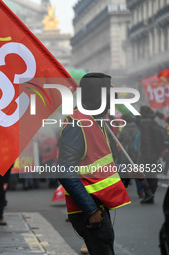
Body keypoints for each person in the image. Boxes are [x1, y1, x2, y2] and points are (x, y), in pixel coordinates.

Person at [57, 73, 131, 255]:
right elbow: (64, 171)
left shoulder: (96, 122)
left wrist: (127, 174)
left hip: (99, 204)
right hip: (89, 208)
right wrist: (90, 210)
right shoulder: (78, 124)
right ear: (96, 97)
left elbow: (100, 167)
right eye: (108, 98)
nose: (111, 103)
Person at [138, 106, 161, 204]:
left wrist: (147, 155)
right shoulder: (153, 122)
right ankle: (151, 193)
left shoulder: (145, 124)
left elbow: (146, 140)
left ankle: (148, 192)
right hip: (155, 153)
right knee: (153, 173)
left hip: (147, 153)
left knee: (138, 172)